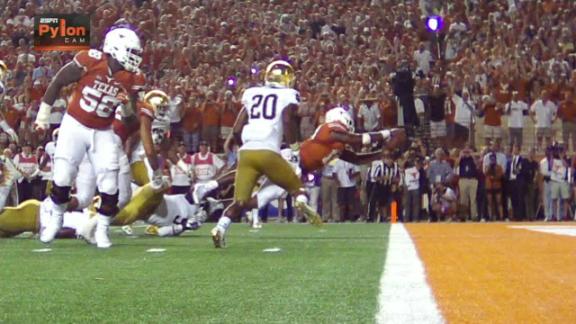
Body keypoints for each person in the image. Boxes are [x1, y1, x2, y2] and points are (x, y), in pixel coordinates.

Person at [33, 27, 151, 248]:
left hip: (104, 130)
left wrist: (126, 105)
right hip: (75, 124)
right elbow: (58, 81)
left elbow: (132, 122)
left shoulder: (133, 77)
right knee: (63, 176)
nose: (136, 58)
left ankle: (102, 230)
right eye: (132, 52)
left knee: (110, 181)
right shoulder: (91, 60)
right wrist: (43, 117)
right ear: (115, 49)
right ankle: (56, 218)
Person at [210, 60, 319, 248]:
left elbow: (236, 129)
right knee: (297, 188)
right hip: (268, 151)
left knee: (241, 201)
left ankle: (220, 228)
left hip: (246, 152)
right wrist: (294, 148)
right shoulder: (288, 95)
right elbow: (286, 119)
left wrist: (243, 147)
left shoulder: (252, 93)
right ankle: (300, 202)